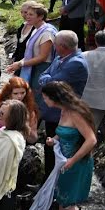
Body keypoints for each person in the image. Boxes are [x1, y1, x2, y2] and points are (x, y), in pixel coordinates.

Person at [39, 82, 96, 210]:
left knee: (69, 201)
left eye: (45, 98)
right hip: (64, 161)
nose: (44, 101)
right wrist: (54, 140)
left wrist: (73, 160)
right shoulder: (63, 110)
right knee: (61, 197)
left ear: (54, 97)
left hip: (77, 163)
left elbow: (91, 140)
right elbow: (63, 132)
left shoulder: (76, 113)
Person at [37, 30, 89, 178]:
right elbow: (44, 76)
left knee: (57, 152)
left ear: (63, 46)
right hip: (53, 111)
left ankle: (53, 185)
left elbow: (51, 82)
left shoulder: (76, 63)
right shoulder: (62, 57)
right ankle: (47, 182)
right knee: (49, 149)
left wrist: (47, 79)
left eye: (55, 44)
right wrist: (47, 79)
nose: (53, 47)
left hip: (62, 114)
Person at [0, 77, 39, 143]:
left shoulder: (30, 110)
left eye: (23, 93)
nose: (20, 96)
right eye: (16, 93)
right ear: (8, 94)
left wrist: (24, 125)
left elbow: (33, 139)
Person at [82, 29, 105, 129]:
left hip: (83, 97)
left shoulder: (83, 55)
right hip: (103, 100)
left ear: (96, 41)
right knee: (92, 130)